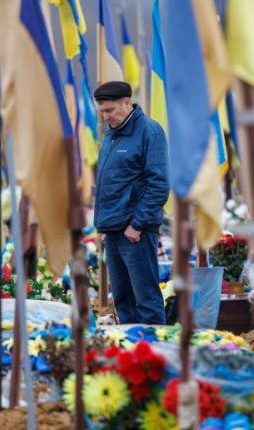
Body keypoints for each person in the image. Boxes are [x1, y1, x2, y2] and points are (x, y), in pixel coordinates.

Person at [93, 81, 169, 325]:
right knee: (124, 301)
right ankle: (132, 356)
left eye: (110, 110)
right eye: (102, 111)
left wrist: (137, 224)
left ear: (127, 103)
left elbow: (158, 185)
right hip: (114, 231)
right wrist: (104, 228)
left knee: (146, 299)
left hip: (135, 232)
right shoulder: (111, 137)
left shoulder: (149, 132)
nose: (106, 117)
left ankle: (156, 356)